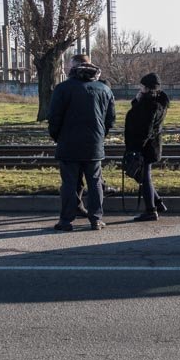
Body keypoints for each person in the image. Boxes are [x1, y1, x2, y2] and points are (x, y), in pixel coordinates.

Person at [48, 53, 115, 231]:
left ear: (74, 68)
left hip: (68, 144)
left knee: (69, 183)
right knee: (95, 182)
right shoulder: (104, 89)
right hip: (94, 144)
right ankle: (96, 219)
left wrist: (57, 137)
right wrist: (100, 136)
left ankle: (66, 221)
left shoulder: (63, 89)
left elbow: (54, 117)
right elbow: (110, 119)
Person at [123, 72, 171, 222]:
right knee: (141, 175)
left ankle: (151, 210)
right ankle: (157, 203)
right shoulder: (155, 102)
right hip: (150, 146)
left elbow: (145, 128)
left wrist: (137, 149)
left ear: (148, 88)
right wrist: (137, 102)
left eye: (142, 86)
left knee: (144, 177)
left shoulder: (150, 105)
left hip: (145, 147)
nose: (139, 88)